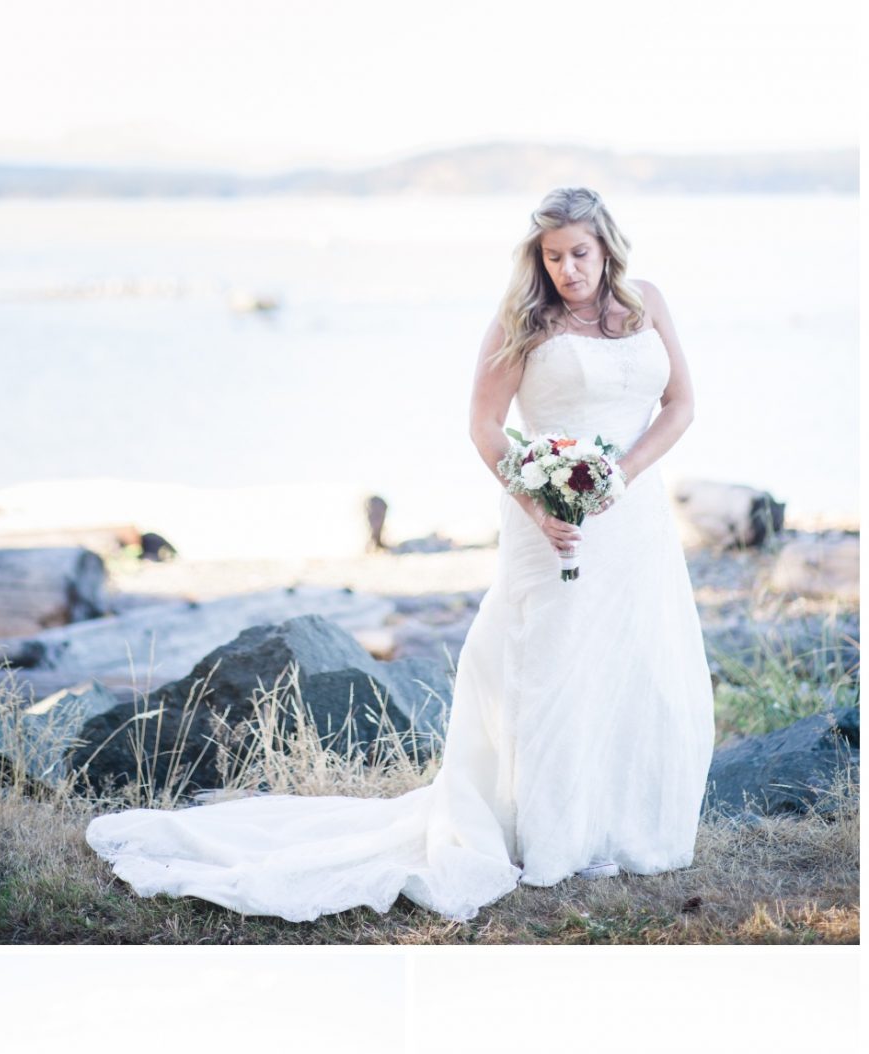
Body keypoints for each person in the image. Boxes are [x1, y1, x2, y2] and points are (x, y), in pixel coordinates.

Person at [85, 184, 714, 920]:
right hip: (551, 524)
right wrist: (541, 505)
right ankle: (556, 836)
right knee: (556, 671)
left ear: (606, 245)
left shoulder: (648, 304)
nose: (569, 269)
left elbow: (680, 406)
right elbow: (485, 426)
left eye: (579, 252)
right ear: (537, 259)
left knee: (635, 664)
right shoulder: (524, 320)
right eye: (553, 256)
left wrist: (623, 477)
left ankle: (622, 825)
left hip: (633, 521)